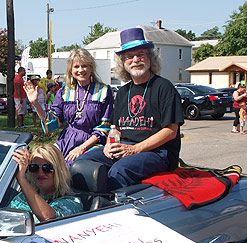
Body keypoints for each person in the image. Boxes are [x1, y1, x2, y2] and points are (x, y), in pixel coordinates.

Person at [74, 27, 185, 191]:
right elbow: (115, 128)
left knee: (118, 171)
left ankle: (111, 210)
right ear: (123, 63)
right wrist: (108, 145)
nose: (135, 60)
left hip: (157, 153)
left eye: (140, 54)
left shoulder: (164, 87)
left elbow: (171, 131)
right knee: (81, 164)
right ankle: (83, 207)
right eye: (129, 57)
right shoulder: (124, 91)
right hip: (125, 147)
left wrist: (135, 149)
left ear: (150, 57)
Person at [24, 48, 113, 166]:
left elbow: (104, 128)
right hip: (67, 139)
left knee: (72, 165)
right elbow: (52, 123)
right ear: (70, 70)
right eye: (76, 66)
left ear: (91, 68)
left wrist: (81, 148)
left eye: (85, 66)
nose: (81, 70)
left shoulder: (104, 91)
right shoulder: (64, 92)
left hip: (93, 142)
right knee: (41, 161)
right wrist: (35, 103)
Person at [8, 144, 83, 223]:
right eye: (34, 167)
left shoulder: (72, 203)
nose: (40, 173)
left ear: (59, 170)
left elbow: (48, 219)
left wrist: (22, 179)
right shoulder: (22, 197)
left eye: (47, 168)